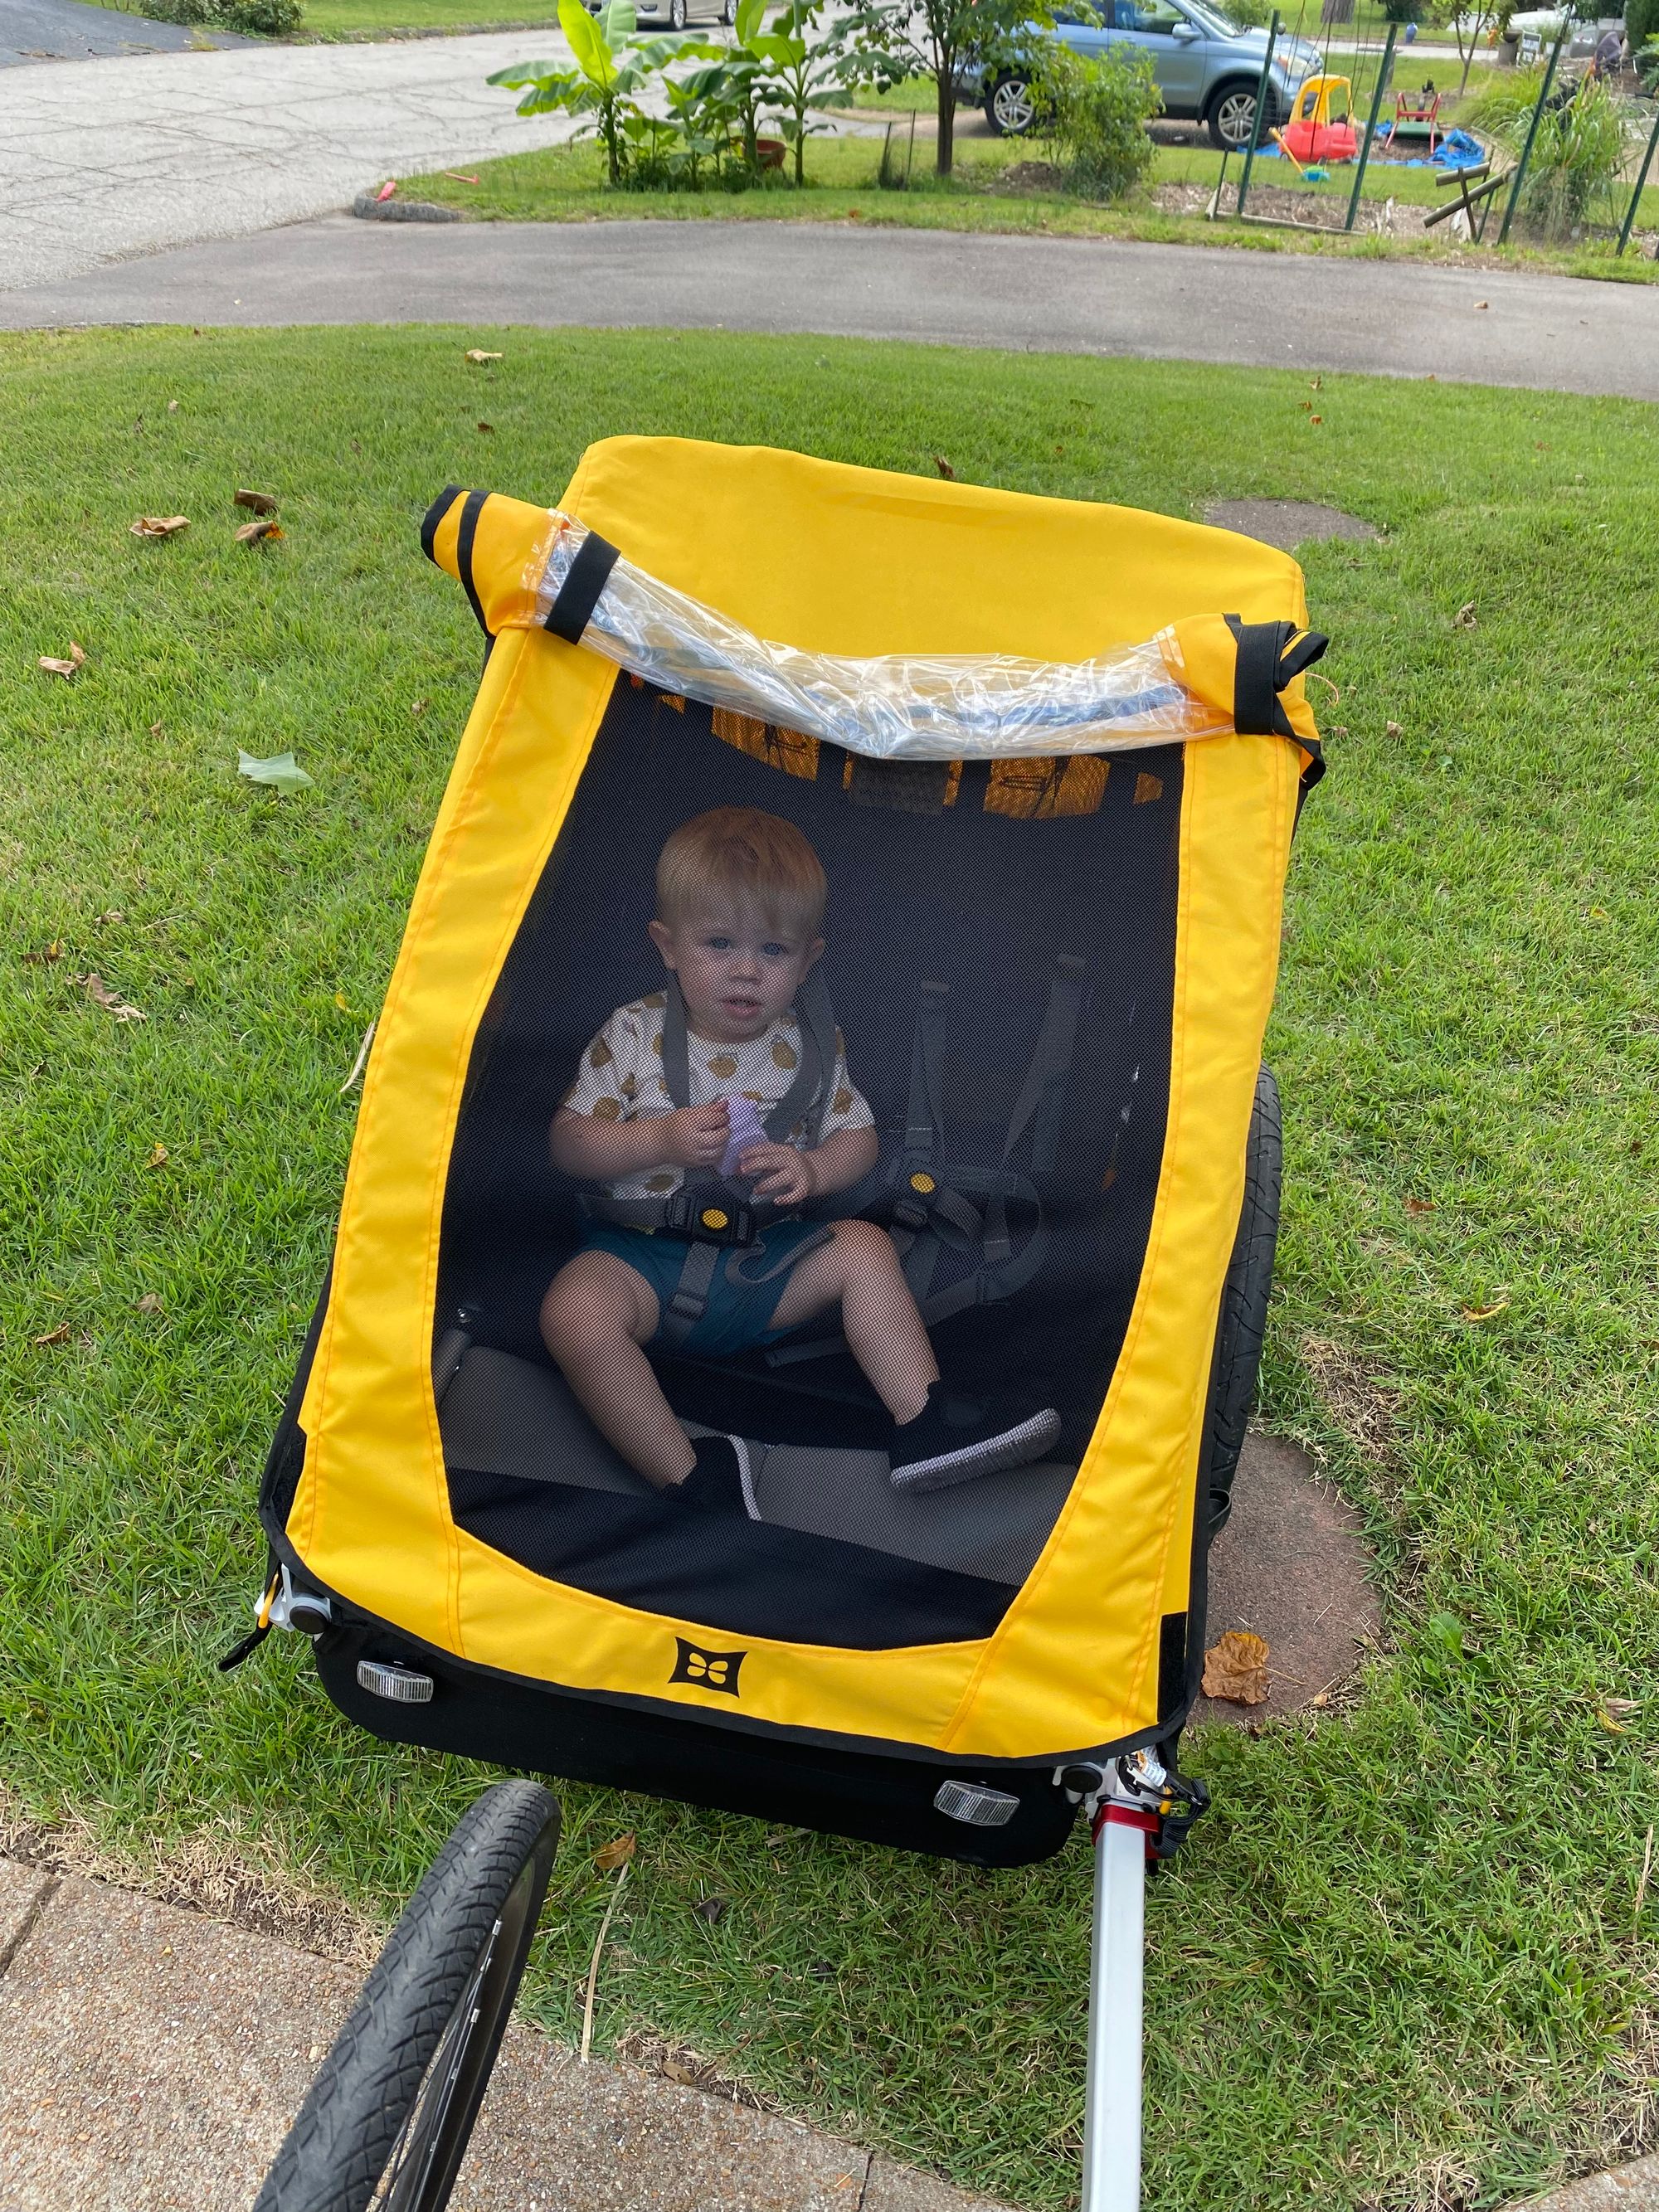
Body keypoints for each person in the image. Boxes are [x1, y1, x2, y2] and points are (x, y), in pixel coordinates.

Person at [541, 807, 1061, 1518]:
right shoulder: (633, 1032)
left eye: (773, 950)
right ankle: (691, 1478)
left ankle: (923, 1421)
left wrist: (813, 1170)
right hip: (640, 1264)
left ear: (808, 960)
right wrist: (655, 1141)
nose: (746, 970)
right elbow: (568, 1143)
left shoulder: (811, 1047)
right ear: (668, 945)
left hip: (762, 1269)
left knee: (865, 1248)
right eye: (718, 943)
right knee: (572, 1310)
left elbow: (860, 1138)